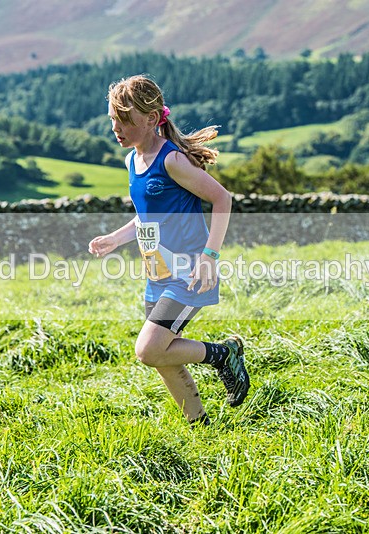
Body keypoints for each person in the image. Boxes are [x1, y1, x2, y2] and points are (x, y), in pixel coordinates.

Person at [88, 75, 250, 426]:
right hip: (157, 273)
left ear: (150, 119)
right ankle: (199, 425)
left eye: (124, 119)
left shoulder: (172, 160)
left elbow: (223, 198)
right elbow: (147, 218)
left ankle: (224, 354)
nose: (116, 127)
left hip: (189, 272)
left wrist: (211, 256)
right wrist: (116, 239)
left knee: (148, 349)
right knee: (164, 355)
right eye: (113, 119)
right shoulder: (133, 161)